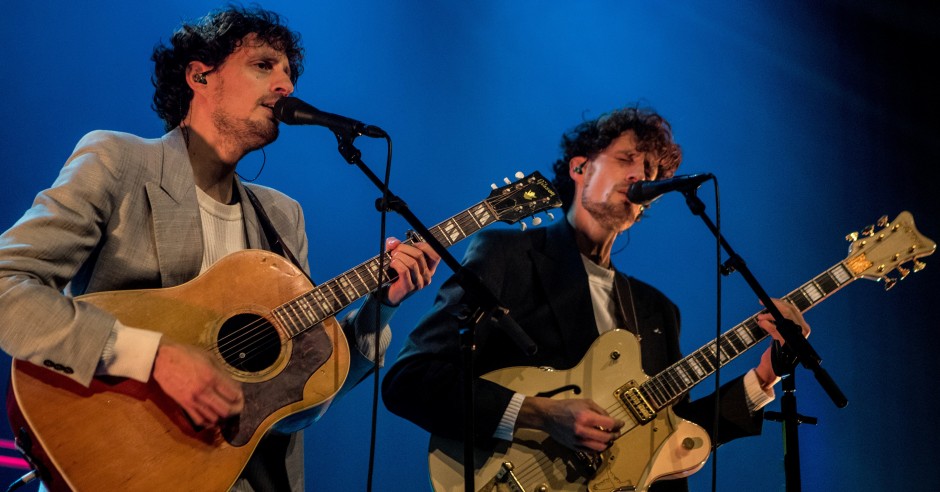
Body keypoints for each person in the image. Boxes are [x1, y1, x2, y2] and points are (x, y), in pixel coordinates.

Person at [0, 6, 439, 492]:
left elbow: (298, 402)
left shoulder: (283, 217)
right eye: (263, 65)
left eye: (289, 73)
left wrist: (380, 308)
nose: (286, 87)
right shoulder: (117, 163)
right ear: (200, 75)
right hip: (118, 463)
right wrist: (153, 356)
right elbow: (6, 287)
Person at [381, 105, 810, 491]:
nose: (641, 178)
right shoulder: (508, 255)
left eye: (653, 174)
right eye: (627, 160)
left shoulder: (657, 309)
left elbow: (670, 436)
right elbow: (410, 381)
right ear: (580, 167)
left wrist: (764, 378)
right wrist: (538, 413)